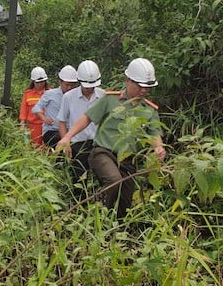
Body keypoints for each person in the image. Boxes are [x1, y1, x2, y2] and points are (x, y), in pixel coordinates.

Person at [58, 58, 166, 218]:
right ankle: (95, 212)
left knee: (125, 201)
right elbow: (87, 118)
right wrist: (67, 137)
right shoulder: (110, 100)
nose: (144, 90)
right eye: (140, 86)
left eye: (147, 87)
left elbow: (154, 133)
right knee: (114, 180)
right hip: (103, 152)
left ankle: (116, 232)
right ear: (128, 80)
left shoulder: (149, 110)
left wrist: (158, 147)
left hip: (128, 160)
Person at [57, 60, 105, 200]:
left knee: (102, 178)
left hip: (98, 143)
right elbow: (62, 121)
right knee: (79, 180)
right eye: (86, 86)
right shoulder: (69, 97)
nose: (89, 89)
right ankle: (80, 206)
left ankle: (102, 204)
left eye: (92, 86)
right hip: (78, 144)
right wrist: (66, 141)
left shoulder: (103, 96)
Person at [32, 65, 78, 149]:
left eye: (72, 85)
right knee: (62, 141)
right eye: (67, 85)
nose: (69, 88)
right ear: (60, 82)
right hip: (52, 131)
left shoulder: (76, 96)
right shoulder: (50, 94)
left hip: (69, 132)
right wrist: (44, 118)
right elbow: (36, 108)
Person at [19, 66, 49, 147]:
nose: (40, 84)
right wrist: (22, 124)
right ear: (33, 82)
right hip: (33, 127)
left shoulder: (50, 93)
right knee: (34, 148)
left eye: (42, 82)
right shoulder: (28, 94)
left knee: (47, 149)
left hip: (47, 126)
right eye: (37, 82)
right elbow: (24, 110)